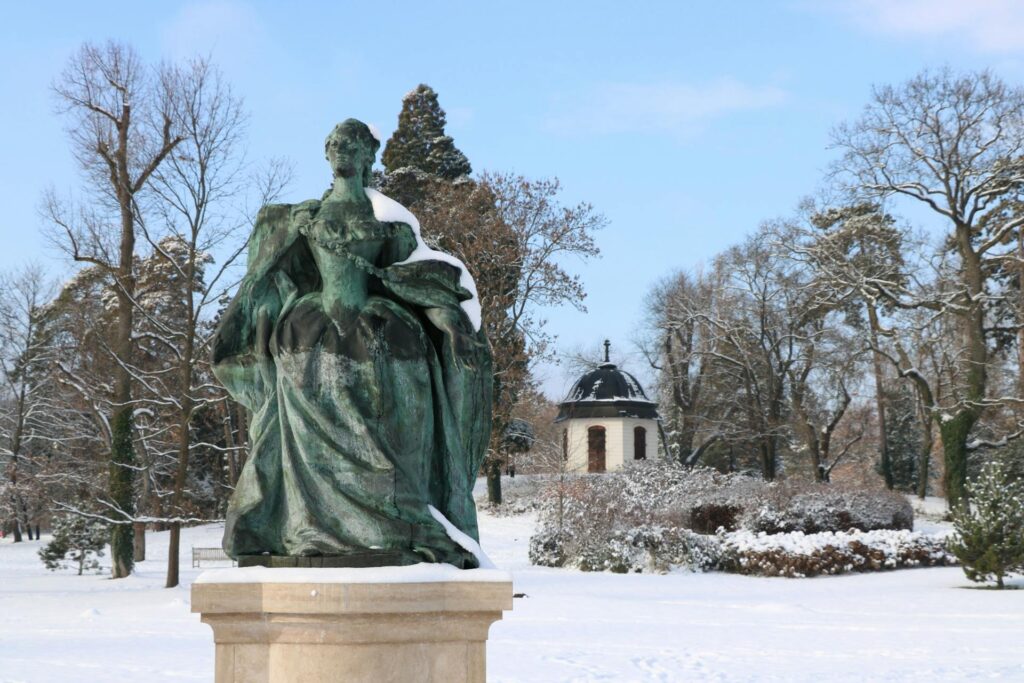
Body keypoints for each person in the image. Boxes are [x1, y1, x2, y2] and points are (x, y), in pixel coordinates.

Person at [212, 119, 491, 567]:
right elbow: (260, 280)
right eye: (336, 144)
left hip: (380, 329)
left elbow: (420, 280)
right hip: (308, 330)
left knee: (393, 418)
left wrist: (454, 327)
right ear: (327, 153)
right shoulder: (302, 217)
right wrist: (282, 238)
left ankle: (394, 520)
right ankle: (307, 521)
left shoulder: (389, 221)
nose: (342, 150)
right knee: (308, 404)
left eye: (352, 145)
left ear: (368, 156)